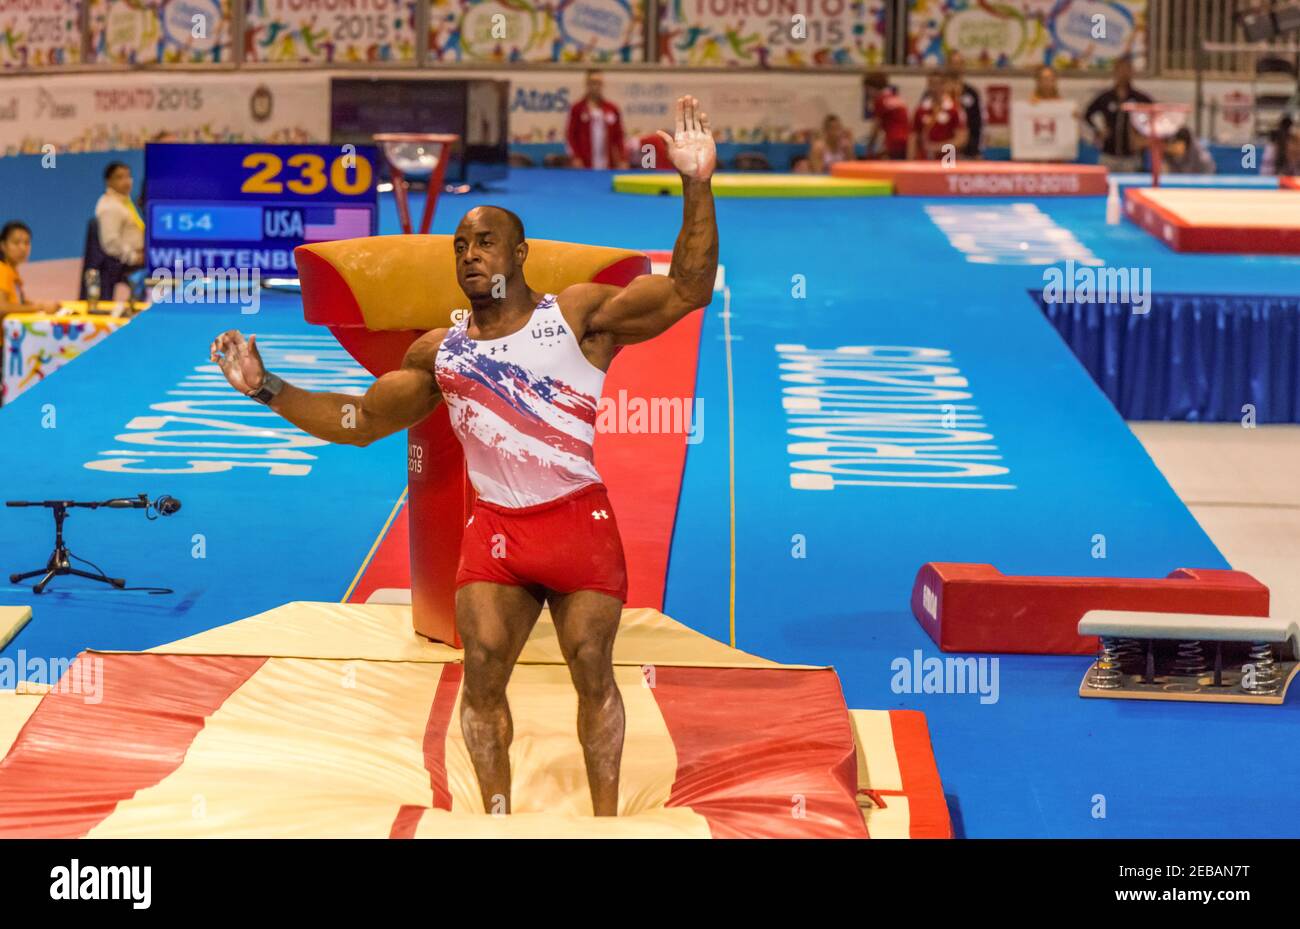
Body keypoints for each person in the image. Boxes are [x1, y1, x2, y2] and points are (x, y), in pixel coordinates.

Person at [210, 95, 718, 818]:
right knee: (480, 674)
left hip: (579, 524)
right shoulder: (442, 353)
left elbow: (689, 289)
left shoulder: (576, 317)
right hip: (499, 538)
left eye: (484, 242)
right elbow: (360, 421)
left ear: (518, 255)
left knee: (592, 672)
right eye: (460, 246)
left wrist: (696, 186)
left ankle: (608, 824)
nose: (469, 254)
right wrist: (267, 387)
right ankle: (497, 818)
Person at [1083, 55, 1153, 172]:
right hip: (1108, 155)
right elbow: (1087, 115)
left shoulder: (1140, 98)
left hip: (1131, 157)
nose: (1123, 73)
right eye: (1120, 70)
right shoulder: (1105, 98)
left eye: (1126, 70)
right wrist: (1098, 131)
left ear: (1132, 72)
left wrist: (1143, 137)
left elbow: (1156, 117)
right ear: (1115, 72)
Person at [565, 70, 628, 170]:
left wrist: (623, 158)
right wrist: (575, 157)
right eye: (593, 83)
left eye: (599, 83)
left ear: (602, 85)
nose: (596, 86)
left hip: (607, 164)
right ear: (587, 85)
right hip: (585, 164)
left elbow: (619, 137)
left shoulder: (612, 109)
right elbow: (570, 136)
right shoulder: (577, 109)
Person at [0, 221, 59, 314]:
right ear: (3, 245)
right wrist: (39, 307)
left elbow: (18, 302)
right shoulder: (2, 270)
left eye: (27, 243)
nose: (23, 248)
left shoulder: (12, 271)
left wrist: (40, 305)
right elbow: (2, 307)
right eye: (16, 243)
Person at [95, 162, 145, 269]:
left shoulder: (124, 202)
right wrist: (134, 257)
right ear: (108, 181)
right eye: (120, 177)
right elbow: (111, 243)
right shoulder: (110, 207)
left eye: (128, 176)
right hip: (129, 264)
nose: (127, 181)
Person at [910, 68, 968, 160]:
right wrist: (910, 161)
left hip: (947, 161)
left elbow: (961, 140)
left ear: (945, 85)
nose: (935, 87)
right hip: (924, 161)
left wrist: (937, 147)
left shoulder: (955, 110)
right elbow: (913, 137)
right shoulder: (920, 109)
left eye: (938, 84)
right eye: (931, 84)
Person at [863, 71, 911, 159]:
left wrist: (869, 146)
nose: (868, 94)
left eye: (868, 90)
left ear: (872, 88)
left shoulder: (880, 100)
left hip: (894, 141)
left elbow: (875, 127)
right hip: (906, 141)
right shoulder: (896, 98)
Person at [948, 51, 983, 158]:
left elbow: (977, 124)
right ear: (947, 65)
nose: (956, 67)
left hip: (968, 150)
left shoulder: (972, 93)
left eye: (959, 63)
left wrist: (976, 150)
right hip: (944, 148)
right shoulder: (936, 93)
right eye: (953, 63)